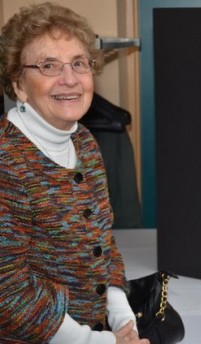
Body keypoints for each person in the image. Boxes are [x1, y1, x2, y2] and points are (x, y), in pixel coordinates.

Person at [0, 3, 149, 344]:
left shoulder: (84, 141)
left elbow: (103, 241)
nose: (70, 79)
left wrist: (122, 316)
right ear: (19, 84)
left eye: (79, 63)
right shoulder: (6, 160)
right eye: (49, 65)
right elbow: (7, 290)